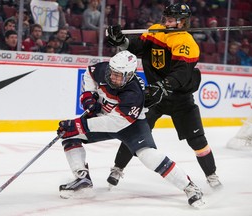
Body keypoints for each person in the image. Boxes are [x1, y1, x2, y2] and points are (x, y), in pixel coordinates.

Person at [56, 50, 204, 208]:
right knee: (69, 136)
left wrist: (80, 125)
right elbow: (89, 73)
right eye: (112, 73)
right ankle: (82, 178)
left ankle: (190, 187)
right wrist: (88, 96)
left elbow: (116, 123)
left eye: (118, 75)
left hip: (132, 126)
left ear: (129, 75)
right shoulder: (103, 69)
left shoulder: (134, 93)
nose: (113, 77)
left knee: (148, 156)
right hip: (106, 118)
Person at [106, 3, 222, 189]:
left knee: (197, 140)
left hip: (180, 98)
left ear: (182, 21)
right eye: (166, 17)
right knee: (134, 132)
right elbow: (138, 47)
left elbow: (182, 72)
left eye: (171, 19)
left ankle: (212, 175)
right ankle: (117, 168)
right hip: (155, 96)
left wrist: (164, 86)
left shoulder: (186, 42)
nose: (166, 21)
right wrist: (121, 41)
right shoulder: (155, 30)